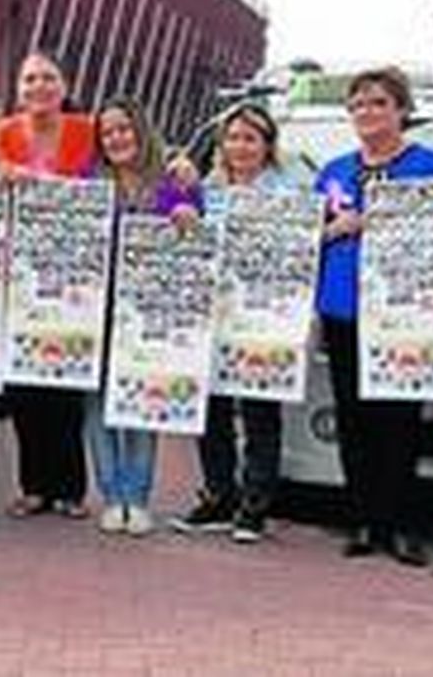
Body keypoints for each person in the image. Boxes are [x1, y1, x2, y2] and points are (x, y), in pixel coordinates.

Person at [312, 66, 433, 565]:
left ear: (401, 110)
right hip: (343, 305)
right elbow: (309, 233)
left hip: (405, 310)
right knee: (354, 417)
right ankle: (363, 520)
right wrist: (335, 230)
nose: (368, 113)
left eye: (378, 103)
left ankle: (402, 524)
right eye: (359, 105)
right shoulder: (333, 171)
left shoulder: (432, 166)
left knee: (399, 418)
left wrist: (371, 220)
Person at [169, 103, 291, 544]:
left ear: (267, 146)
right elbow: (165, 209)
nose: (240, 147)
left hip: (262, 316)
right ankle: (219, 494)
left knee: (260, 409)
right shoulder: (209, 187)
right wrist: (178, 192)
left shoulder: (287, 191)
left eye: (250, 139)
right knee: (211, 409)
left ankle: (255, 505)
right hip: (210, 316)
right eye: (233, 138)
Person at [0, 51, 98, 519]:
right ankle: (34, 486)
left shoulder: (87, 130)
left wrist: (179, 170)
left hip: (73, 273)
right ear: (18, 88)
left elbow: (128, 158)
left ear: (64, 84)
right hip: (18, 272)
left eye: (48, 78)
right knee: (25, 384)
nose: (39, 86)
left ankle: (70, 489)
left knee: (67, 381)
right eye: (30, 78)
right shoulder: (0, 135)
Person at [86, 95, 196, 536]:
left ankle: (138, 495)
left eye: (124, 128)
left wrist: (189, 211)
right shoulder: (90, 182)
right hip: (94, 309)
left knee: (143, 402)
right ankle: (111, 495)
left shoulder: (172, 180)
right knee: (96, 404)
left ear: (141, 131)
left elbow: (197, 236)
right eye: (108, 132)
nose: (116, 138)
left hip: (150, 313)